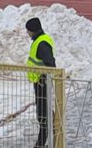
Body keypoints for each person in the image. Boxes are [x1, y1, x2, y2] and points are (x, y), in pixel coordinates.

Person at [25, 18, 56, 148]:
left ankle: (42, 143)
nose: (27, 33)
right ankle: (44, 141)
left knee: (43, 115)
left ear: (32, 30)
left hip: (43, 84)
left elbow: (51, 64)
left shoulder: (42, 43)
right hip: (39, 82)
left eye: (28, 30)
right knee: (42, 114)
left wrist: (44, 78)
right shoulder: (38, 40)